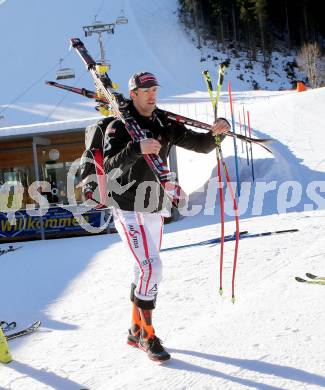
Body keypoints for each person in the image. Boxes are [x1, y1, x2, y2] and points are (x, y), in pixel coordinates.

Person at [103, 71, 230, 361]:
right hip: (127, 206)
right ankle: (148, 335)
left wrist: (217, 132)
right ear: (133, 93)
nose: (152, 94)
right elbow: (110, 166)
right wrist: (136, 148)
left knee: (143, 270)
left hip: (154, 205)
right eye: (145, 90)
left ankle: (135, 329)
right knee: (152, 269)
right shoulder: (119, 125)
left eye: (154, 89)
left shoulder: (163, 121)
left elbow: (200, 145)